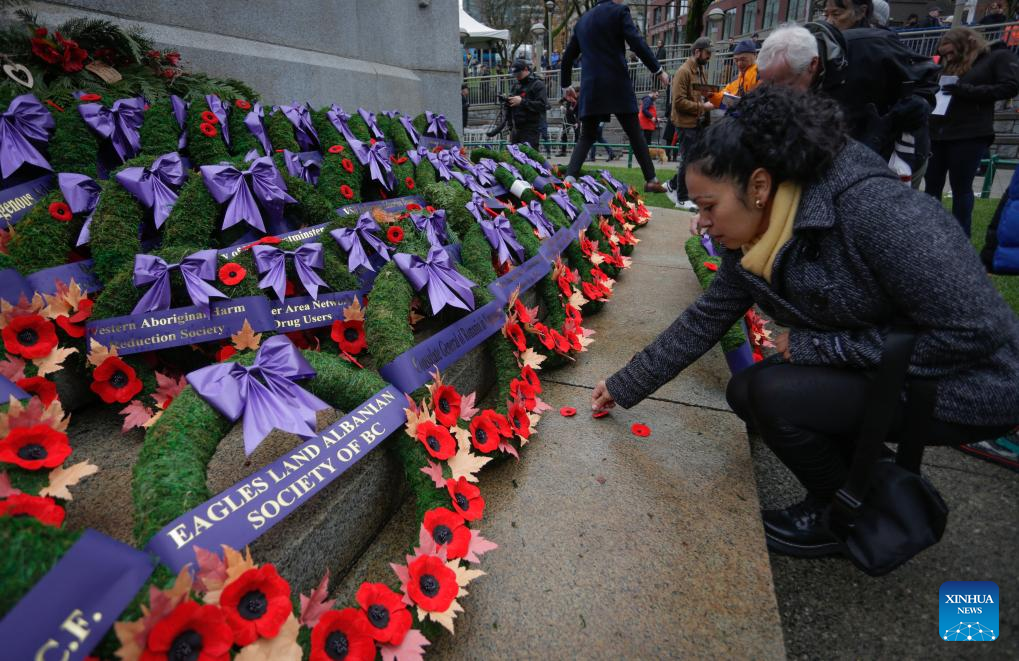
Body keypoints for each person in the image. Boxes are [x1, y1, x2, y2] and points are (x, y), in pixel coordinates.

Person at [591, 86, 1019, 558]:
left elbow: (977, 332)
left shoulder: (876, 211)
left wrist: (823, 349)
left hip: (964, 380)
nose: (703, 224)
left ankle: (844, 515)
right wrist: (625, 383)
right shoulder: (763, 229)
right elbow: (706, 318)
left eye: (709, 206)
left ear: (758, 186)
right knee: (747, 391)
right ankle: (864, 485)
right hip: (892, 368)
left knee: (776, 396)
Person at [560, 0, 671, 193]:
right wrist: (658, 69)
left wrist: (565, 85)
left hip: (592, 85)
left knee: (586, 136)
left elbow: (568, 56)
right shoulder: (619, 12)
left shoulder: (582, 21)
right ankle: (651, 179)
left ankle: (569, 178)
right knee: (635, 133)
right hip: (616, 82)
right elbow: (636, 42)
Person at [925, 27, 1019, 236]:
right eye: (945, 54)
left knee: (961, 188)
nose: (948, 57)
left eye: (951, 52)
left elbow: (1010, 86)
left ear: (966, 44)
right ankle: (931, 233)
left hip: (969, 134)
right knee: (932, 184)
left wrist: (967, 91)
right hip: (939, 132)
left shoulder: (996, 57)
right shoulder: (949, 65)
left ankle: (961, 236)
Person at [823, 0, 939, 161]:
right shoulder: (827, 46)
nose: (829, 21)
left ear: (862, 11)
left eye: (836, 14)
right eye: (826, 14)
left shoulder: (879, 43)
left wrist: (915, 105)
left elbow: (924, 79)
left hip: (887, 150)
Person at [665, 36, 713, 211]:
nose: (709, 57)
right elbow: (678, 102)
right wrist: (703, 107)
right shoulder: (683, 71)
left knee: (694, 160)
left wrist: (712, 97)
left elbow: (701, 94)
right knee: (688, 160)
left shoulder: (700, 71)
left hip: (697, 123)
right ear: (697, 52)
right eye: (707, 53)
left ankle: (672, 185)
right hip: (685, 123)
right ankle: (682, 198)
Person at [506, 59, 548, 150]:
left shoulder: (537, 84)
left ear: (526, 69)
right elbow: (510, 108)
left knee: (529, 159)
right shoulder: (516, 86)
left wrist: (522, 102)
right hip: (516, 129)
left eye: (519, 74)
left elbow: (542, 105)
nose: (517, 77)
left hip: (531, 129)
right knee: (514, 159)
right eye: (515, 75)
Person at [708, 39, 759, 107]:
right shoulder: (736, 79)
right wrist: (711, 95)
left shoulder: (762, 76)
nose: (739, 64)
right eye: (736, 60)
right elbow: (723, 97)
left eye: (743, 59)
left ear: (755, 56)